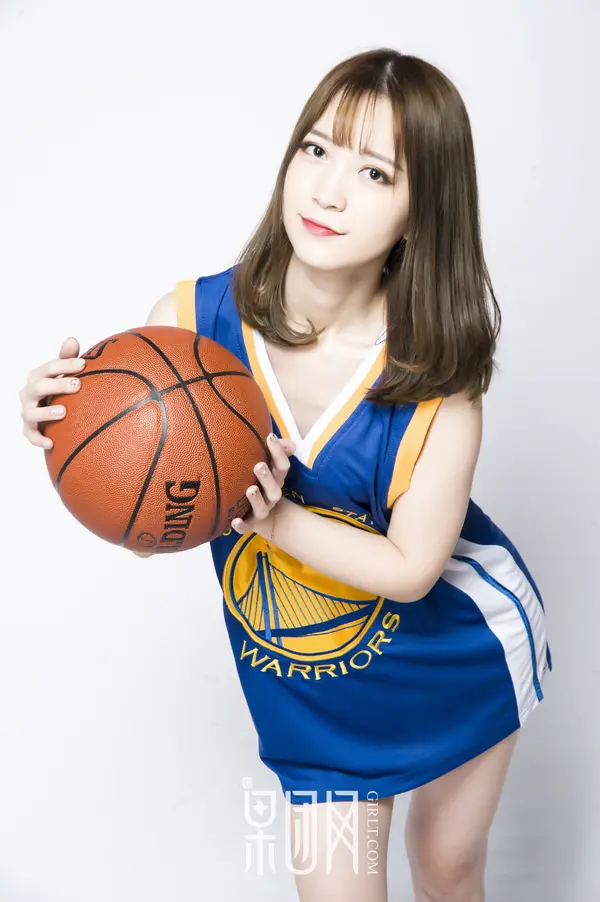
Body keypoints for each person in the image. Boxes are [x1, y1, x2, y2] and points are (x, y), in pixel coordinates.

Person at [19, 48, 551, 902]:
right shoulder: (190, 324)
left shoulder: (439, 379)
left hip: (456, 654)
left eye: (375, 172)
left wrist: (272, 518)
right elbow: (156, 527)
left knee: (447, 867)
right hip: (314, 702)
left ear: (423, 210)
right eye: (316, 148)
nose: (329, 191)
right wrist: (69, 435)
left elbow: (413, 571)